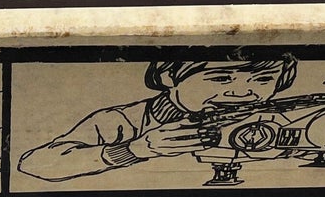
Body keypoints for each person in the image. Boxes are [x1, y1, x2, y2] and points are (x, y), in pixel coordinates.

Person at [17, 56, 299, 182]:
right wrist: (136, 149)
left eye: (264, 79)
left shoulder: (279, 117)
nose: (242, 92)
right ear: (169, 76)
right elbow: (35, 164)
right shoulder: (122, 121)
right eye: (220, 78)